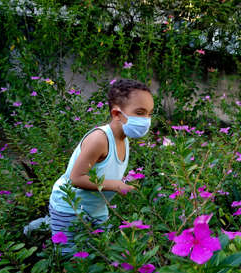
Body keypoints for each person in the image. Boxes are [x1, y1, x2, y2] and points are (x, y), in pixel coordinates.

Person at [31, 79, 154, 255]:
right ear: (117, 114)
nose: (146, 120)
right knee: (70, 257)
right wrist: (117, 185)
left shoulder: (125, 139)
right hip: (69, 206)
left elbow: (106, 171)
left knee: (101, 251)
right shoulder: (100, 139)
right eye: (140, 113)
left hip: (96, 208)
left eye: (149, 114)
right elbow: (76, 178)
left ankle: (49, 222)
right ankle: (45, 224)